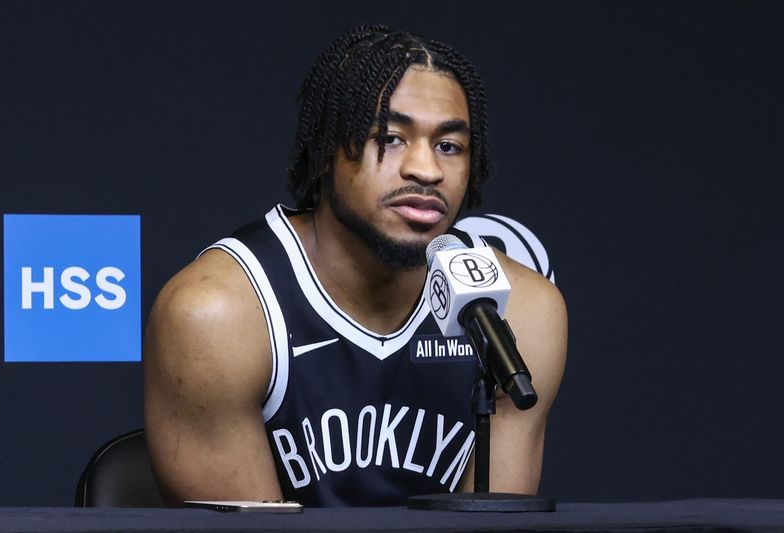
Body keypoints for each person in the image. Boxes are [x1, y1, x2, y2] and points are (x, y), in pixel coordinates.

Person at [143, 24, 567, 507]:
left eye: (449, 146)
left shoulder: (519, 312)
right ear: (325, 152)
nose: (427, 170)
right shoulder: (219, 315)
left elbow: (492, 525)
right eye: (389, 138)